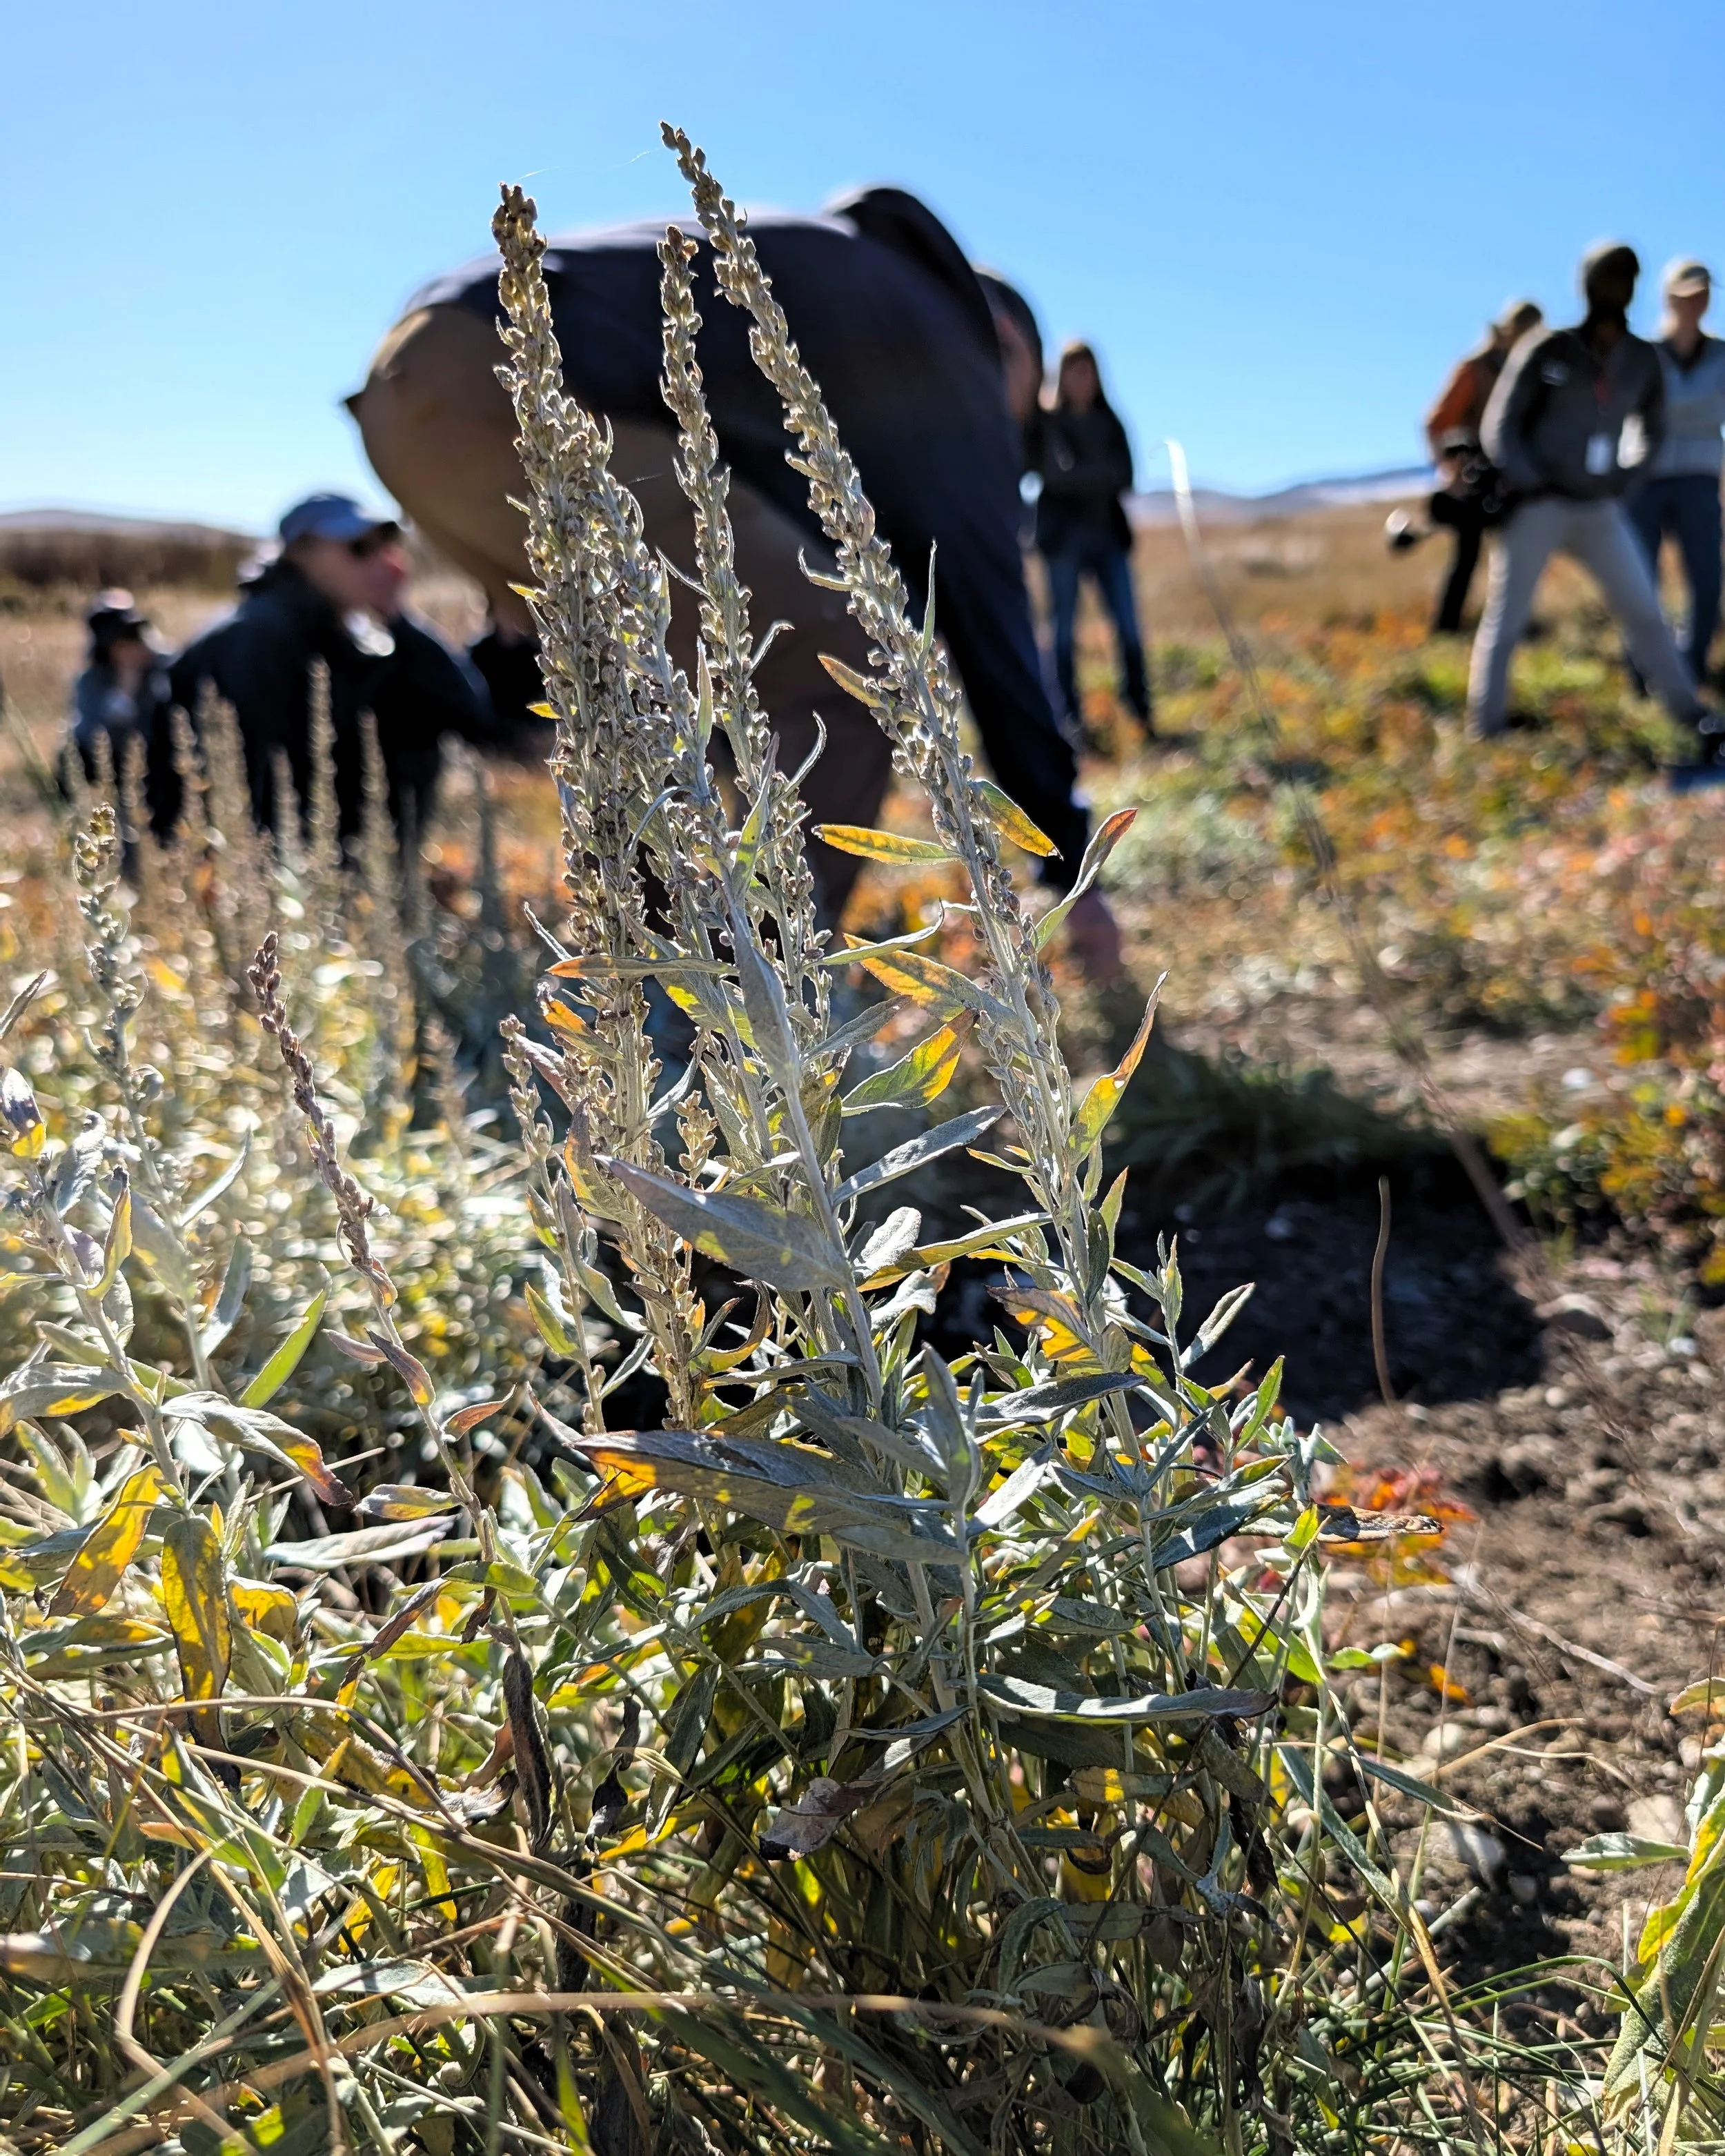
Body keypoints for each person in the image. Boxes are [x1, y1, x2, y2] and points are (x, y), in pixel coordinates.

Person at [349, 187, 1122, 976]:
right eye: (1021, 417)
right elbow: (990, 625)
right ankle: (754, 1004)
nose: (1010, 438)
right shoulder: (951, 345)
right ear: (1006, 342)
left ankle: (657, 983)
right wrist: (1073, 871)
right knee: (854, 677)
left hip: (410, 386)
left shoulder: (846, 289)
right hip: (519, 385)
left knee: (666, 687)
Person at [150, 494, 524, 844]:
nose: (379, 563)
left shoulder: (349, 633)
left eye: (385, 548)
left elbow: (470, 717)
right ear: (301, 552)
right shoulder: (256, 637)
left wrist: (398, 616)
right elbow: (264, 785)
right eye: (359, 548)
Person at [1466, 242, 1710, 755]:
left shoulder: (1641, 359)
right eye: (1605, 277)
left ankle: (1689, 715)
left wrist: (1624, 478)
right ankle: (1485, 728)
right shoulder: (1548, 347)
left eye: (1623, 278)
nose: (1614, 288)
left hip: (1598, 507)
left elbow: (1654, 428)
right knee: (1507, 618)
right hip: (1538, 506)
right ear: (1586, 284)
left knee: (1645, 610)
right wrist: (1528, 479)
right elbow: (1501, 425)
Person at [1033, 342, 1153, 738]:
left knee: (1129, 626)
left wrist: (1080, 477)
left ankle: (1140, 712)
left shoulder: (1109, 422)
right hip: (1064, 542)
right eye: (1074, 371)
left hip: (1108, 540)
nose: (1082, 379)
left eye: (1088, 371)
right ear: (1061, 376)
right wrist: (1095, 477)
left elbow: (1125, 476)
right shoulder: (1049, 424)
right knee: (1063, 632)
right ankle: (1068, 719)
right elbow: (1053, 475)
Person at [1626, 258, 1725, 687]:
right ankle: (1642, 676)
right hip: (1644, 479)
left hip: (1701, 477)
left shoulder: (1721, 353)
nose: (1694, 303)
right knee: (1639, 580)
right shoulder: (1642, 355)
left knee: (1706, 579)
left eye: (1702, 295)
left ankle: (1690, 673)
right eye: (1685, 296)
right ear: (1669, 298)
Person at [1423, 300, 1544, 633]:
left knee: (1520, 555)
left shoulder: (1535, 375)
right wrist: (1452, 470)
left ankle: (1517, 627)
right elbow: (1436, 424)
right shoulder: (1476, 369)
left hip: (1515, 479)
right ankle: (1447, 627)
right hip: (1475, 479)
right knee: (1468, 555)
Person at [66, 591, 172, 787]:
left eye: (135, 637)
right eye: (122, 642)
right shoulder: (92, 680)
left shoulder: (164, 665)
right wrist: (126, 690)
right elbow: (91, 736)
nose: (133, 647)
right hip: (114, 764)